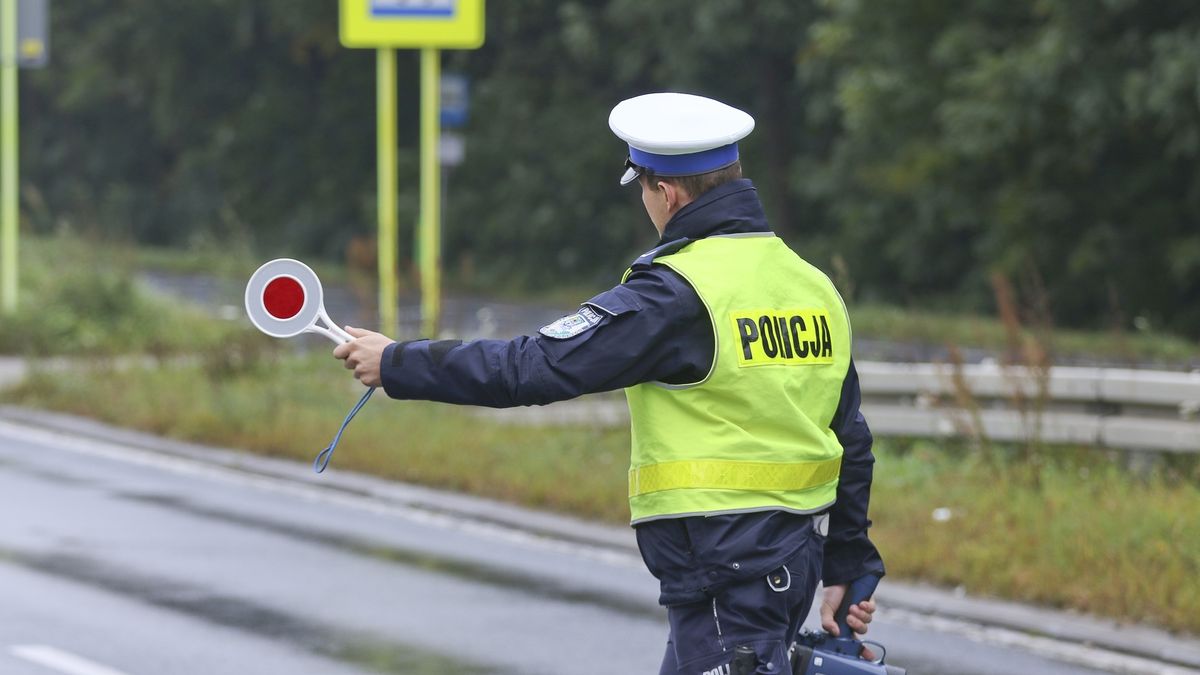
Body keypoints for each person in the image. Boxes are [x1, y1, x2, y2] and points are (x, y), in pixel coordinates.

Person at [334, 92, 885, 675]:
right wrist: (847, 561)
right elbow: (850, 437)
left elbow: (532, 366)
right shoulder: (812, 286)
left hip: (727, 574)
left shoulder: (676, 293)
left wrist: (397, 362)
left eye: (642, 189)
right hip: (784, 566)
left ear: (666, 194)